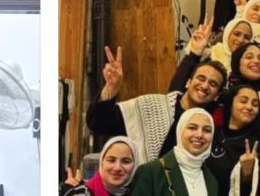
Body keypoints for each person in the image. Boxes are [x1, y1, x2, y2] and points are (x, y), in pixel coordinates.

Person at [86, 46, 225, 161]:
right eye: (201, 78)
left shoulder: (208, 130)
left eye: (213, 84)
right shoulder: (153, 106)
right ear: (188, 82)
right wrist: (111, 88)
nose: (205, 86)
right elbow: (98, 122)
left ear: (217, 95)